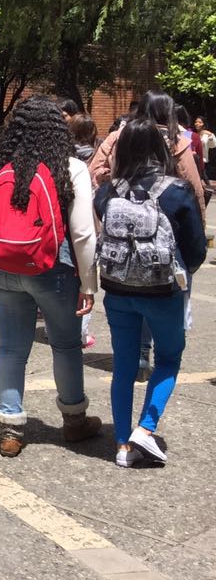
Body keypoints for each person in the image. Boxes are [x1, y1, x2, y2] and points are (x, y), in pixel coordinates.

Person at [0, 97, 101, 457]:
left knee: (11, 348)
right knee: (65, 346)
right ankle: (74, 420)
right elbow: (82, 233)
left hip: (1, 267)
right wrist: (88, 283)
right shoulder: (71, 167)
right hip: (54, 269)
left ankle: (11, 428)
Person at [94, 119, 205, 466]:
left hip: (116, 290)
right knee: (169, 359)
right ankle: (145, 428)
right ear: (161, 149)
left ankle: (121, 443)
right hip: (163, 291)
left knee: (124, 366)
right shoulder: (177, 191)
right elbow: (196, 250)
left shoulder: (108, 191)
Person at [88, 91, 206, 379]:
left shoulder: (118, 135)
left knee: (129, 283)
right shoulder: (178, 140)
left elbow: (94, 171)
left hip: (121, 227)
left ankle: (138, 355)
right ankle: (161, 353)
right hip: (170, 228)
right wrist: (198, 230)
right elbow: (195, 186)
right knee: (166, 288)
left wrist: (112, 188)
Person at [69, 112, 100, 347]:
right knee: (82, 281)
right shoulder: (92, 158)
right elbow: (83, 233)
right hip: (87, 218)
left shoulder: (60, 154)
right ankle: (80, 333)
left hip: (59, 227)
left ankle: (54, 327)